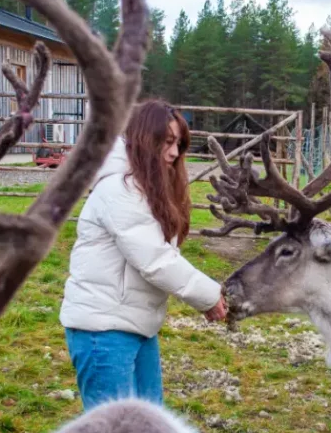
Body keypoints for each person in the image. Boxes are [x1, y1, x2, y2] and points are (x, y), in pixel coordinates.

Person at [59, 99, 228, 410]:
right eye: (167, 142)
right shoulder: (119, 190)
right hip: (104, 332)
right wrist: (209, 296)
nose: (175, 153)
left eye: (178, 143)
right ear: (144, 140)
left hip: (135, 325)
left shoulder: (145, 188)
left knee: (149, 424)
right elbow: (156, 260)